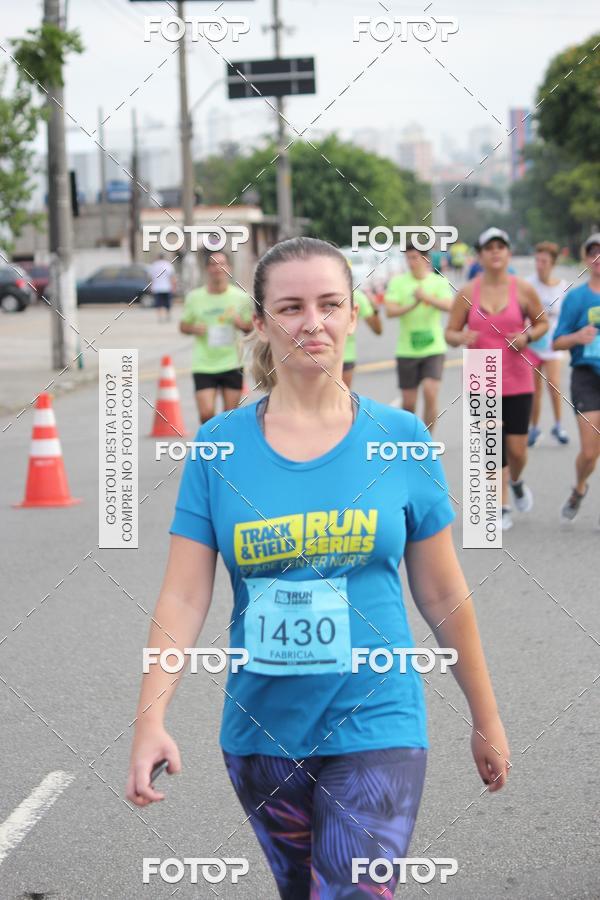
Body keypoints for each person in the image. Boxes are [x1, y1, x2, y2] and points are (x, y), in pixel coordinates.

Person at [126, 237, 510, 899]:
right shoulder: (219, 447)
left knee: (353, 892)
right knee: (306, 892)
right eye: (292, 306)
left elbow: (444, 592)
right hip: (262, 731)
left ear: (353, 314)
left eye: (331, 304)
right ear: (260, 320)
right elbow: (184, 597)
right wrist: (150, 718)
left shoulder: (400, 438)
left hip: (378, 719)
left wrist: (486, 715)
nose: (313, 322)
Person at [445, 227, 549, 531]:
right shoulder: (466, 292)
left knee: (517, 450)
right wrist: (459, 336)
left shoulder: (523, 290)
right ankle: (500, 504)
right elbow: (449, 332)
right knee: (492, 445)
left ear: (508, 253)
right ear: (480, 255)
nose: (495, 252)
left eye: (500, 247)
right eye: (488, 247)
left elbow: (542, 324)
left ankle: (515, 482)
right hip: (480, 375)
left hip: (517, 376)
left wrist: (528, 336)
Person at [553, 232, 600, 523]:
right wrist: (578, 337)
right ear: (586, 259)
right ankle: (580, 486)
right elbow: (557, 342)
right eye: (593, 252)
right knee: (589, 450)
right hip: (585, 375)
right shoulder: (576, 298)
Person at [384, 242, 453, 432]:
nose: (411, 262)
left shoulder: (438, 282)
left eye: (415, 258)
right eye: (408, 258)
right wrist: (414, 303)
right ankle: (411, 438)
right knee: (409, 403)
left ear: (425, 259)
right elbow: (390, 311)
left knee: (431, 393)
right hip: (407, 349)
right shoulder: (398, 282)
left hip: (434, 348)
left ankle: (427, 440)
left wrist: (427, 298)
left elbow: (449, 306)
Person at [179, 249, 253, 423]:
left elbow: (250, 328)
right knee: (206, 415)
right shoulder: (194, 297)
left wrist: (241, 324)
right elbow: (183, 326)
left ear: (229, 268)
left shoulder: (241, 298)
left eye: (222, 264)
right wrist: (193, 328)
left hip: (232, 362)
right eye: (213, 264)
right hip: (204, 364)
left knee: (229, 416)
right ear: (207, 269)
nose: (217, 268)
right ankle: (211, 446)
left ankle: (226, 448)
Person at [526, 242, 569, 446]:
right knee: (535, 389)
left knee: (554, 384)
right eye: (537, 260)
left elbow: (567, 318)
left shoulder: (562, 287)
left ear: (552, 263)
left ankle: (558, 425)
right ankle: (534, 428)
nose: (539, 265)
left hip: (552, 345)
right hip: (533, 344)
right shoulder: (528, 284)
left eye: (544, 261)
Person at [342, 276, 382, 389]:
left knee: (341, 400)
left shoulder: (357, 297)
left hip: (345, 357)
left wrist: (375, 309)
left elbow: (377, 330)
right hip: (316, 357)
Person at [149, 252, 176, 322]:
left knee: (159, 303)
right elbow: (172, 277)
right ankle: (168, 316)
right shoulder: (168, 265)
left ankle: (160, 317)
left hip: (157, 287)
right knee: (168, 303)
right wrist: (173, 287)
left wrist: (151, 286)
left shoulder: (154, 265)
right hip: (167, 287)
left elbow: (151, 277)